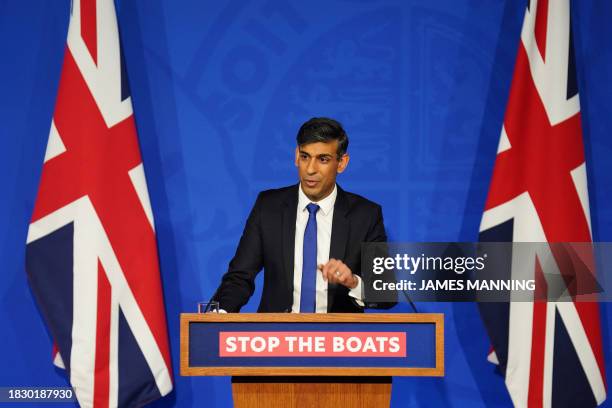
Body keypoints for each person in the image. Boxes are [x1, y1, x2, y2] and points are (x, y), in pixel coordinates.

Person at [212, 117, 394, 313]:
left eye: (323, 159)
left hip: (338, 338)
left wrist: (353, 282)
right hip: (277, 337)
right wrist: (217, 316)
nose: (310, 169)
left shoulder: (365, 215)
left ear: (342, 163)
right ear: (296, 155)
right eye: (305, 156)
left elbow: (386, 294)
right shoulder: (268, 207)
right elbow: (240, 277)